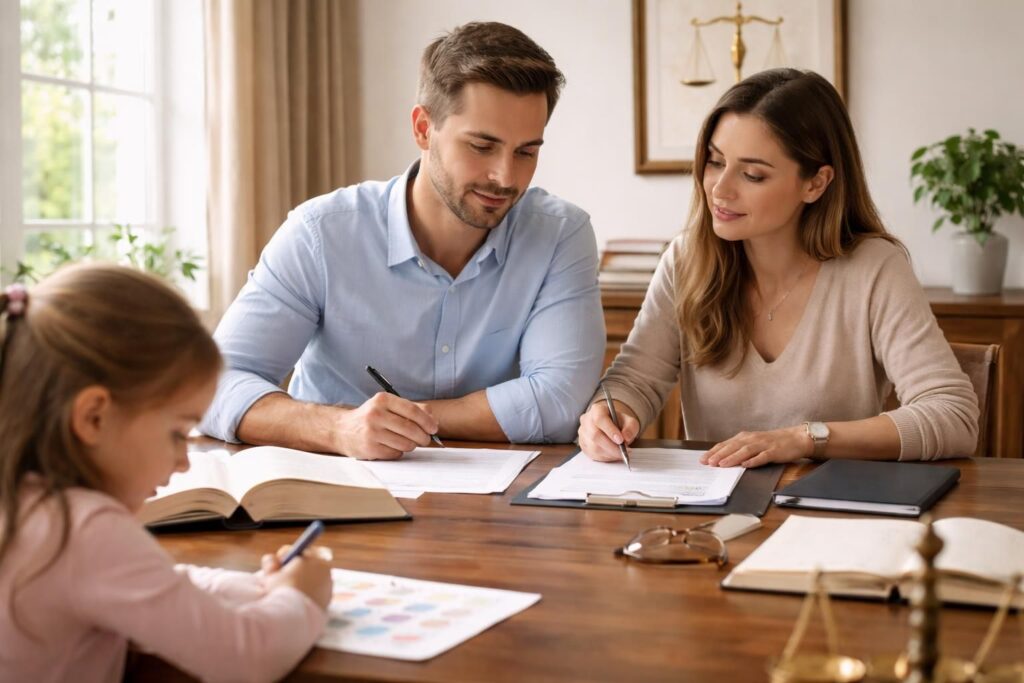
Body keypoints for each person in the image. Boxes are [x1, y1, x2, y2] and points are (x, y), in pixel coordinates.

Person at [200, 21, 605, 459]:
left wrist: (400, 420)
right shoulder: (321, 233)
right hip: (334, 485)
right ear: (423, 128)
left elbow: (559, 402)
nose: (505, 177)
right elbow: (211, 386)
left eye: (526, 152)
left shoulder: (560, 235)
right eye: (481, 146)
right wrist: (339, 428)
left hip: (499, 496)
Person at [579, 68, 978, 468]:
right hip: (713, 502)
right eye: (715, 162)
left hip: (832, 502)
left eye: (753, 174)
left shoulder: (874, 269)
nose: (720, 188)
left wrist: (804, 439)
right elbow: (635, 381)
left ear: (815, 183)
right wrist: (606, 416)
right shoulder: (686, 262)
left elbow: (953, 414)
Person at [0, 265, 332, 682]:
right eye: (177, 434)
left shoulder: (26, 505)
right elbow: (247, 655)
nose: (184, 461)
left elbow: (154, 583)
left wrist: (255, 587)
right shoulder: (84, 529)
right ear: (94, 417)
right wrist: (300, 597)